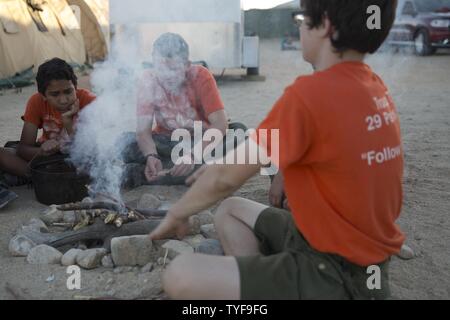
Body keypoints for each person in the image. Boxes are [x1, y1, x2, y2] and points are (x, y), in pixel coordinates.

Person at [148, 0, 405, 300]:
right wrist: (228, 163)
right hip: (343, 249)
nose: (297, 26)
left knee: (180, 275)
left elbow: (224, 179)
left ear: (324, 26)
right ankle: (267, 287)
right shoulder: (374, 86)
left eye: (301, 18)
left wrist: (178, 213)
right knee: (230, 210)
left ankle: (282, 287)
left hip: (332, 272)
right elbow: (262, 148)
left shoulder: (310, 94)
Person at [123, 33, 245, 187]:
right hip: (167, 143)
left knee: (240, 134)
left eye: (173, 69)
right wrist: (151, 155)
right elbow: (143, 132)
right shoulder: (147, 80)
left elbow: (220, 124)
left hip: (203, 142)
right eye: (161, 68)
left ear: (187, 64)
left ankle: (150, 174)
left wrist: (193, 155)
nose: (167, 76)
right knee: (123, 142)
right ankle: (184, 172)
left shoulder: (201, 76)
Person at [0, 58, 96, 188]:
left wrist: (68, 122)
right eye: (55, 94)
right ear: (43, 96)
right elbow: (24, 148)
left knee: (95, 162)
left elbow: (87, 150)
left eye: (68, 91)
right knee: (3, 153)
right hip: (47, 156)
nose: (63, 100)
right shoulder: (36, 101)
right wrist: (41, 151)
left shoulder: (88, 101)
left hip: (78, 158)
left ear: (75, 87)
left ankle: (38, 178)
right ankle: (40, 176)